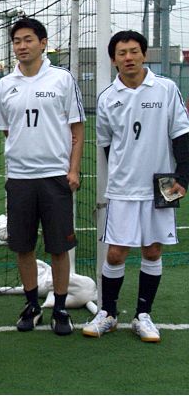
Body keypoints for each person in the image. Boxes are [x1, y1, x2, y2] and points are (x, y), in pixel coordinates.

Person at [83, 30, 189, 342]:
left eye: (133, 51)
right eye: (122, 53)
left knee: (153, 250)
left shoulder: (166, 89)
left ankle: (143, 316)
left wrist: (183, 177)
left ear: (144, 54)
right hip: (123, 187)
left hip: (163, 183)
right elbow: (106, 145)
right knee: (116, 254)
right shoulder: (107, 97)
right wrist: (124, 170)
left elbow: (181, 134)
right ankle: (108, 313)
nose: (128, 57)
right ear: (113, 59)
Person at [0, 17, 85, 336]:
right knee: (24, 247)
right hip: (19, 178)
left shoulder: (62, 79)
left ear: (43, 43)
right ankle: (32, 305)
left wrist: (73, 169)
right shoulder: (4, 85)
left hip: (55, 177)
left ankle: (60, 308)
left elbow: (77, 128)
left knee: (59, 248)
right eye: (17, 41)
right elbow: (8, 131)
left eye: (28, 39)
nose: (22, 46)